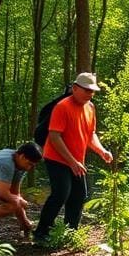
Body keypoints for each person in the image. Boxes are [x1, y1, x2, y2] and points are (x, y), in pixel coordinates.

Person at [32, 72, 112, 244]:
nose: (90, 94)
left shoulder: (90, 108)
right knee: (61, 193)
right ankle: (41, 233)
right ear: (75, 88)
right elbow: (54, 136)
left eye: (92, 91)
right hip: (57, 157)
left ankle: (70, 232)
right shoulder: (62, 106)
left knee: (79, 195)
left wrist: (101, 151)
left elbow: (91, 134)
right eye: (86, 90)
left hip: (77, 160)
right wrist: (72, 161)